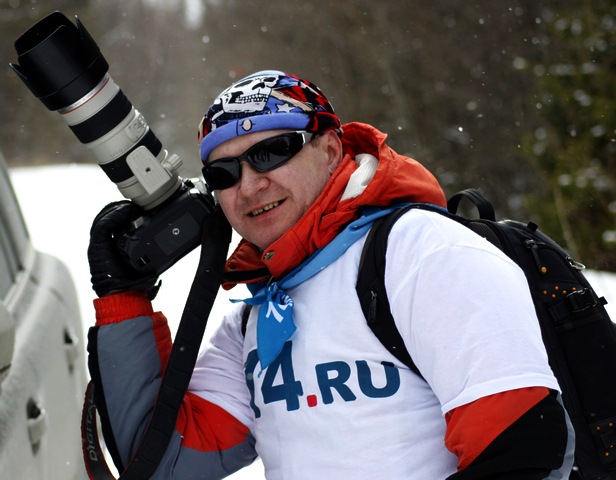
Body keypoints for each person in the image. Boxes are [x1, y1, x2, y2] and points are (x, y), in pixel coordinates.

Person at [87, 70, 574, 479]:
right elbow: (163, 462)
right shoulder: (255, 316)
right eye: (224, 173)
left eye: (271, 151)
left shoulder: (422, 254)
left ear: (330, 149)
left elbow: (526, 451)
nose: (250, 186)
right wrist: (123, 299)